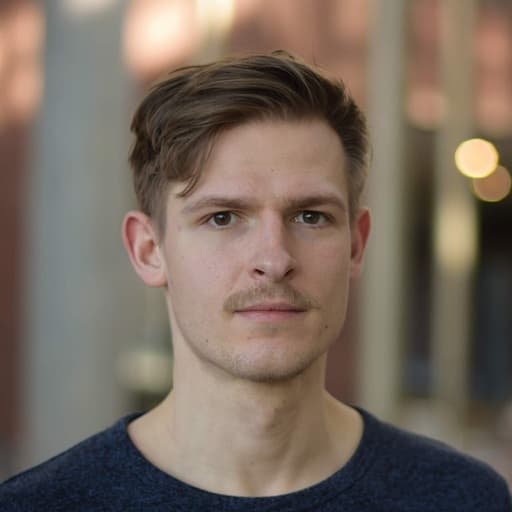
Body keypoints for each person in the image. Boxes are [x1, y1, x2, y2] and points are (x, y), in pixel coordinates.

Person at [1, 51, 510, 511]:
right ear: (149, 250)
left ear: (356, 245)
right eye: (222, 217)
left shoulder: (463, 498)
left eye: (311, 217)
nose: (274, 259)